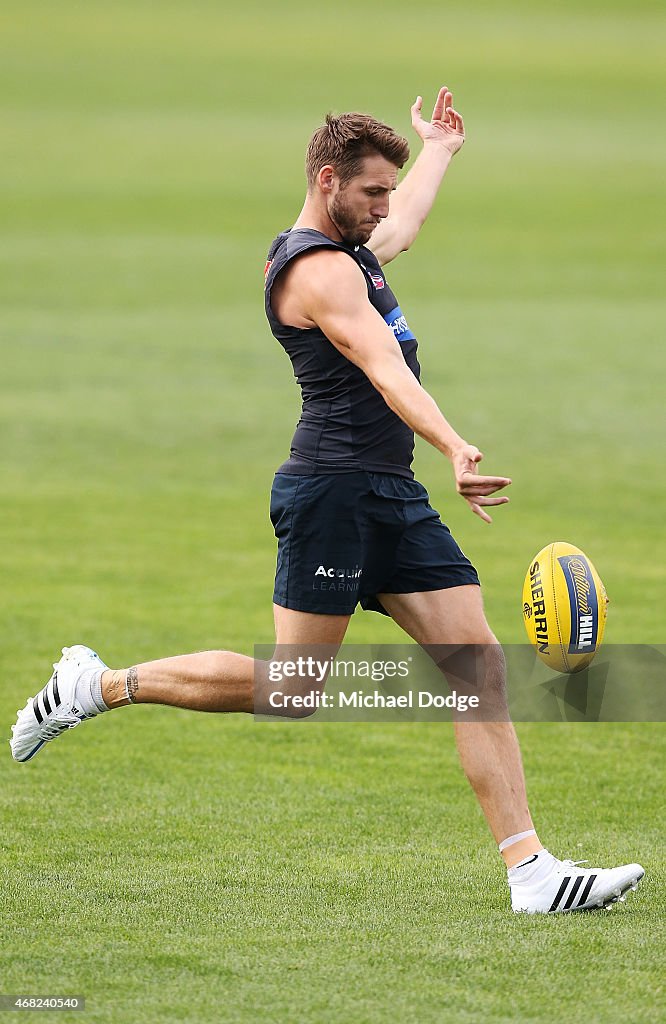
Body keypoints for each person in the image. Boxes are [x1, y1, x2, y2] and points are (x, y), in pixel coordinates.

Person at [10, 88, 643, 914]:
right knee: (294, 690)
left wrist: (441, 150)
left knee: (476, 664)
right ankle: (98, 683)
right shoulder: (315, 271)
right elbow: (383, 365)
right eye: (372, 192)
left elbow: (405, 226)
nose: (384, 209)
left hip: (390, 493)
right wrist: (453, 445)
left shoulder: (357, 243)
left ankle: (531, 873)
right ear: (326, 178)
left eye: (389, 190)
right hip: (331, 493)